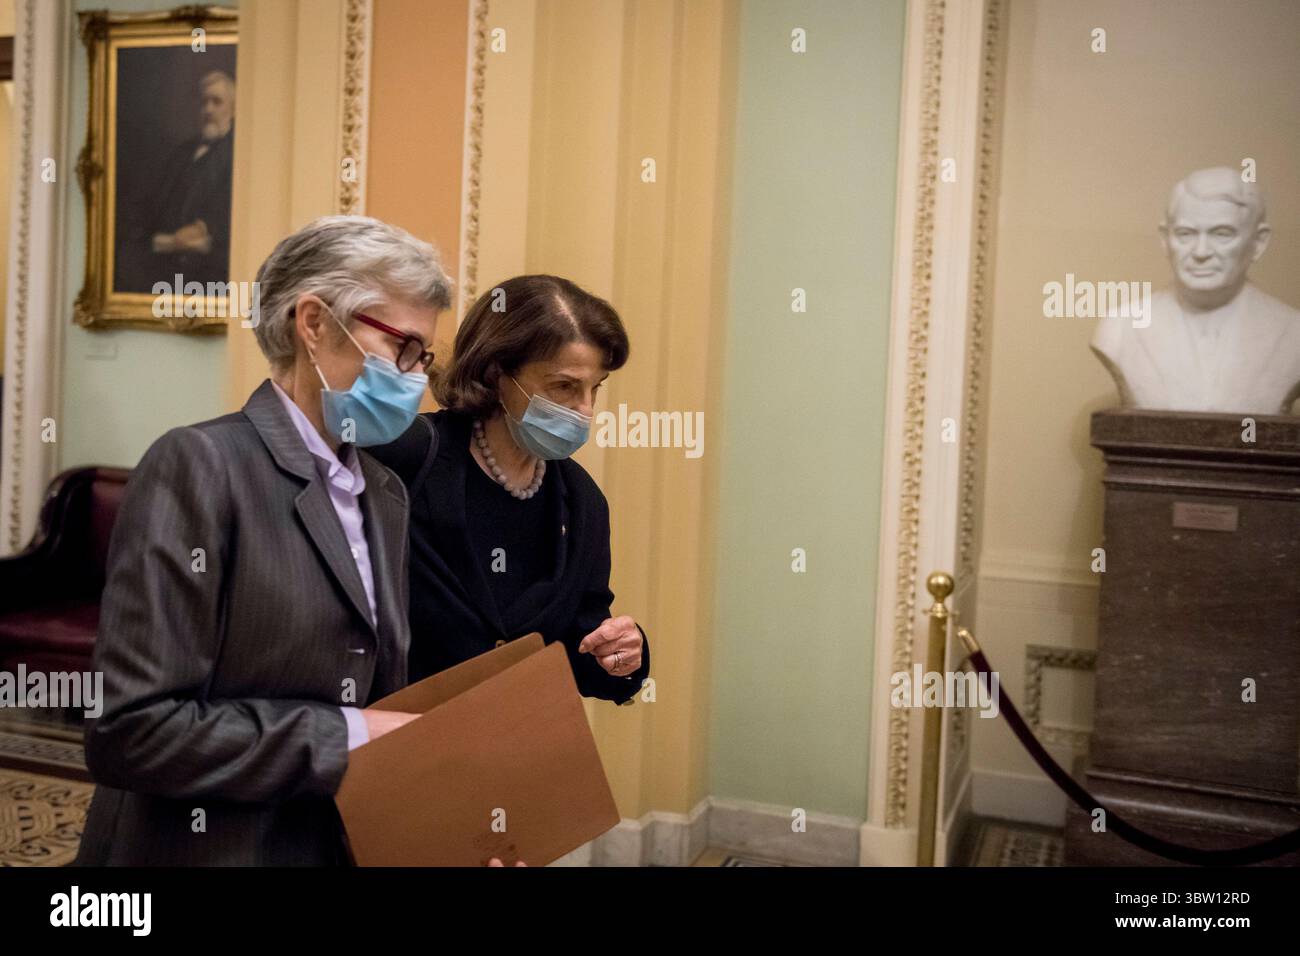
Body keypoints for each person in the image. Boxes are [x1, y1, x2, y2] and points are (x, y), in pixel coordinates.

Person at [76, 215, 453, 865]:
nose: (415, 378)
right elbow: (132, 731)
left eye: (424, 356)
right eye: (404, 348)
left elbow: (373, 690)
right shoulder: (199, 466)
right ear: (313, 323)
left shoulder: (385, 492)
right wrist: (347, 735)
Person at [369, 275, 650, 704]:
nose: (585, 410)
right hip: (390, 747)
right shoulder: (403, 458)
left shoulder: (580, 501)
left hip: (512, 753)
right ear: (496, 373)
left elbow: (582, 655)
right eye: (564, 386)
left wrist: (625, 655)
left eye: (594, 389)